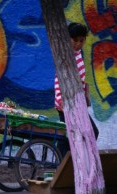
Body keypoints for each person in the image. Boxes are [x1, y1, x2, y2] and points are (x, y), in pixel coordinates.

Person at [54, 22, 99, 157]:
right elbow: (58, 79)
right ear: (68, 39)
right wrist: (61, 100)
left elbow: (80, 79)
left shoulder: (77, 54)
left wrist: (85, 96)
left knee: (75, 134)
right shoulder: (66, 57)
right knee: (86, 133)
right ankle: (64, 164)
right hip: (66, 103)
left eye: (82, 40)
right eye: (75, 40)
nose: (79, 44)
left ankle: (69, 162)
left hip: (76, 103)